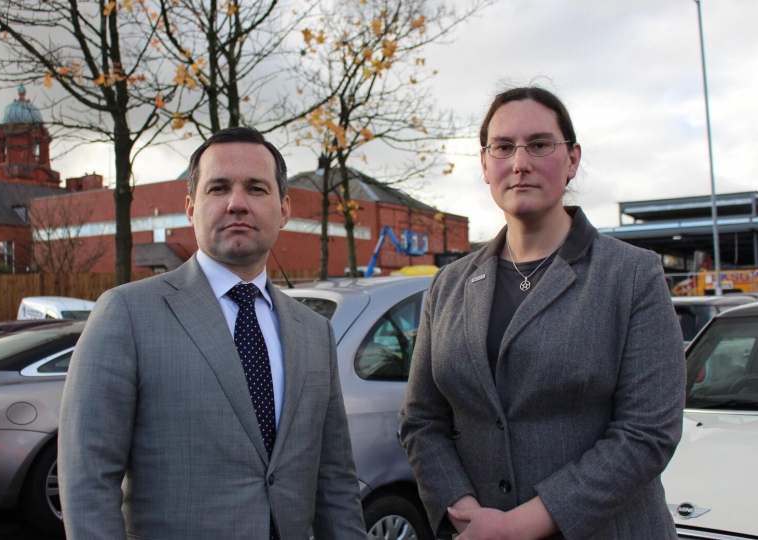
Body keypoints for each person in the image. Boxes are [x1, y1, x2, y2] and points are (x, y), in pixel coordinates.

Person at [398, 87, 685, 540]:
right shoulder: (448, 285)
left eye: (539, 144)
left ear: (572, 159)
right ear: (484, 163)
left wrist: (518, 526)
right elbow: (421, 420)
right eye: (503, 147)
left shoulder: (631, 275)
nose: (519, 162)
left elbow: (647, 433)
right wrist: (463, 506)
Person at [59, 126, 366, 540]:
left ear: (284, 208)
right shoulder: (127, 314)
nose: (237, 203)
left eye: (256, 189)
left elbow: (335, 483)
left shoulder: (314, 332)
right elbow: (87, 479)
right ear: (190, 207)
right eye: (218, 188)